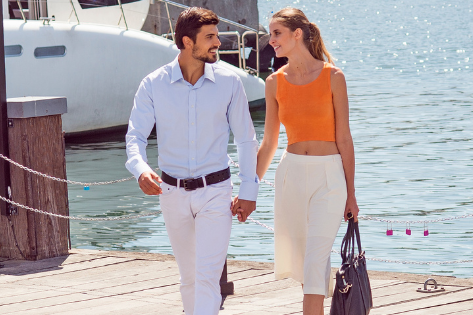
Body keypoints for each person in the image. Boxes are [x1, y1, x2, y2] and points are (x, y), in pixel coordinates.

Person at [125, 7, 260, 315]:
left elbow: (245, 139)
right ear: (188, 42)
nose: (218, 43)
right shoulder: (153, 84)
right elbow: (135, 138)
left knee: (207, 277)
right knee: (189, 278)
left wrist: (249, 191)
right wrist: (140, 170)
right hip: (170, 193)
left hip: (216, 192)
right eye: (210, 37)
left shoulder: (230, 82)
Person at [255, 7, 359, 315]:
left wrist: (351, 193)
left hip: (329, 177)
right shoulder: (274, 82)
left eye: (277, 33)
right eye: (270, 34)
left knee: (314, 261)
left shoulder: (333, 77)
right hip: (291, 176)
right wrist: (249, 189)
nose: (270, 40)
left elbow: (344, 139)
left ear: (296, 34)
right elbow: (270, 142)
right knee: (306, 265)